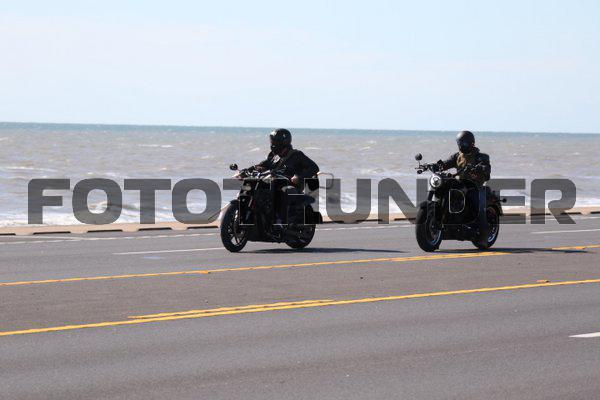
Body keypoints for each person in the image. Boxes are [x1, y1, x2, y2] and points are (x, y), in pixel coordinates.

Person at [244, 128, 319, 224]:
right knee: (255, 188)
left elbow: (314, 167)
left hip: (291, 185)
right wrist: (245, 171)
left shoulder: (297, 155)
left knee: (283, 191)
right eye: (272, 141)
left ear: (283, 142)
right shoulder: (274, 156)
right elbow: (262, 165)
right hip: (274, 182)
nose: (272, 144)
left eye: (275, 141)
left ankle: (280, 221)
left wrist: (299, 177)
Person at [437, 131, 491, 247]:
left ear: (471, 143)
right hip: (460, 184)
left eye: (464, 143)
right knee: (444, 190)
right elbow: (446, 164)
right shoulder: (457, 156)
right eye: (460, 143)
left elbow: (486, 167)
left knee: (477, 206)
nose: (462, 145)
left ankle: (483, 236)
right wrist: (436, 166)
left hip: (475, 186)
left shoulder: (481, 156)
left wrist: (481, 167)